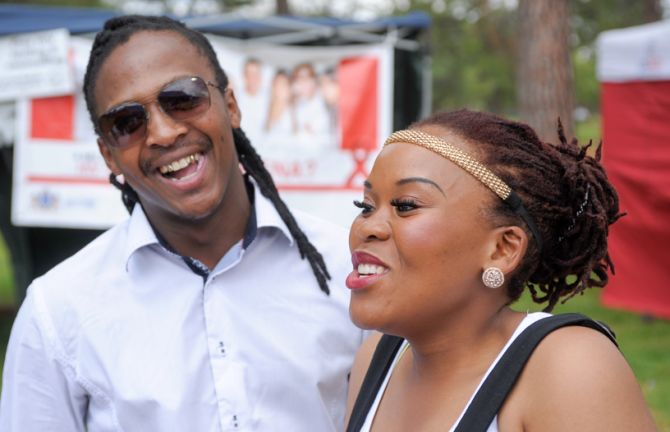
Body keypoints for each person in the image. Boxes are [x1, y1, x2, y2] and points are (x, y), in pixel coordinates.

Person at [0, 15, 363, 431]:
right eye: (127, 122)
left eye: (183, 98)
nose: (164, 132)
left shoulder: (345, 270)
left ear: (230, 106)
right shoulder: (60, 310)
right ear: (108, 156)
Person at [344, 109, 657, 431]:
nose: (368, 228)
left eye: (406, 206)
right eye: (366, 206)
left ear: (502, 249)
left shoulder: (567, 367)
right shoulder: (377, 360)